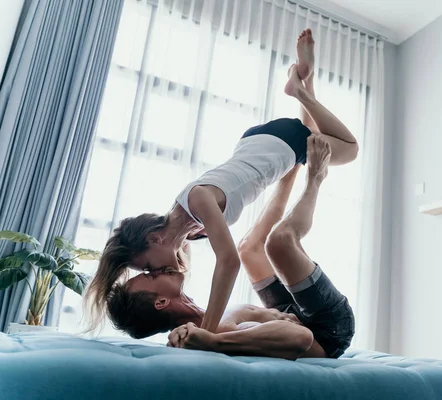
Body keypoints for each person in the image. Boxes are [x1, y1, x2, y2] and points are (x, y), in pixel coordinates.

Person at [84, 28, 358, 334]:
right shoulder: (192, 229)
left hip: (275, 144)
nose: (156, 270)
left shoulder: (198, 202)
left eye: (148, 266)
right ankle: (305, 76)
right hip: (264, 145)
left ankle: (300, 90)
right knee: (310, 147)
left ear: (155, 239)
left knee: (349, 149)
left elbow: (228, 262)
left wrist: (209, 330)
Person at [106, 136, 355, 359]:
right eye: (149, 274)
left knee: (248, 248)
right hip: (327, 331)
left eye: (150, 268)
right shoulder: (213, 332)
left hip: (287, 311)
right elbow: (301, 338)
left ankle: (295, 166)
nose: (158, 270)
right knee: (280, 242)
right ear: (160, 302)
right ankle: (316, 177)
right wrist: (213, 340)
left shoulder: (204, 321)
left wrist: (290, 163)